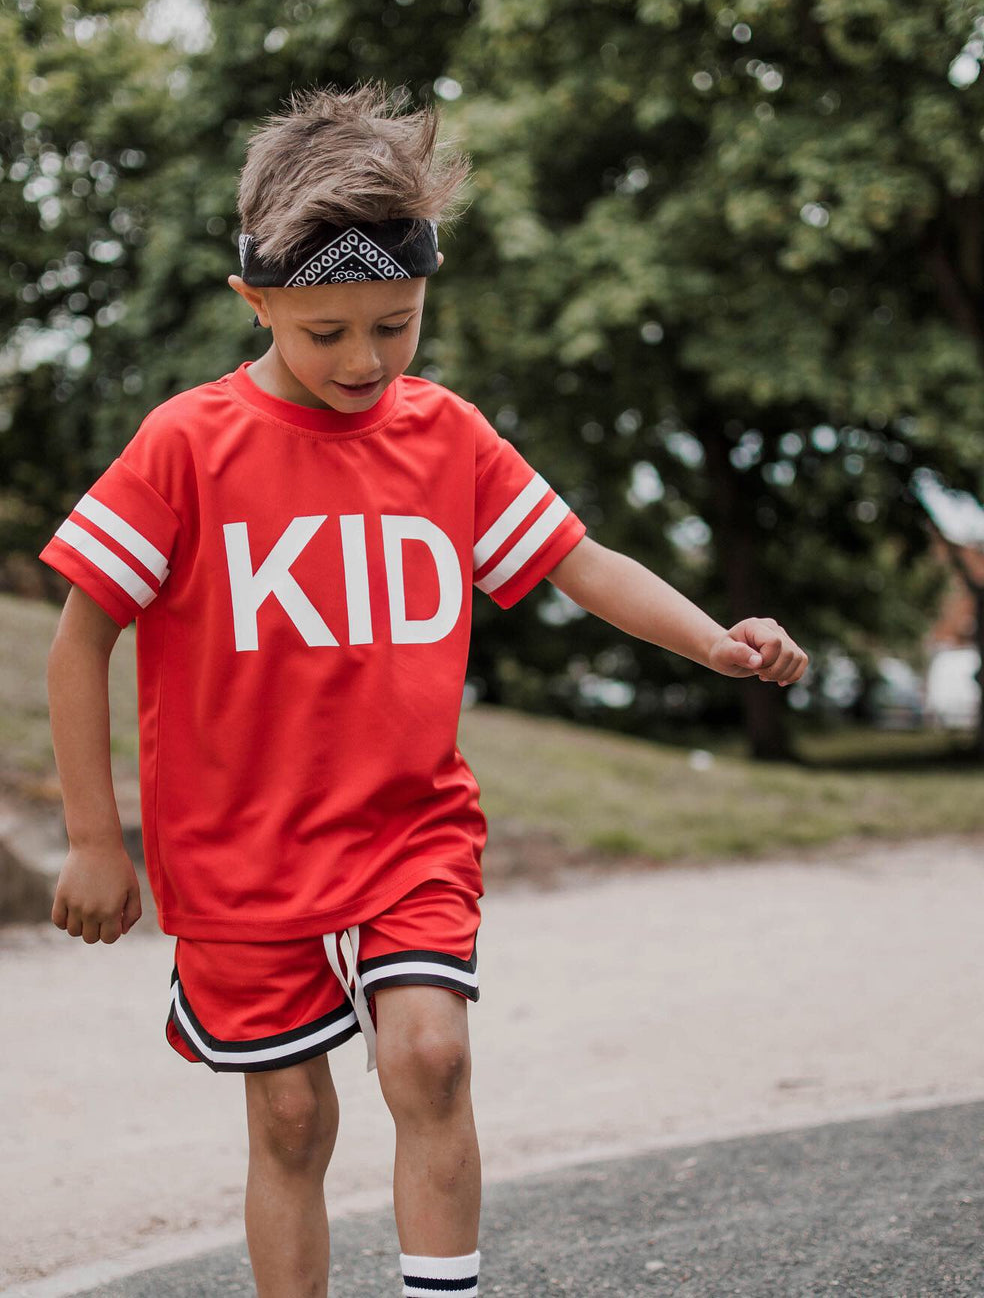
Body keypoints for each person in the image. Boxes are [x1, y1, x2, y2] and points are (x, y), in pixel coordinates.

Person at [40, 82, 808, 1298]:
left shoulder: (447, 436)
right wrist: (94, 839)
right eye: (326, 333)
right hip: (239, 853)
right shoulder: (185, 445)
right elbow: (80, 641)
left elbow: (580, 561)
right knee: (291, 1119)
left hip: (409, 830)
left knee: (434, 1056)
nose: (365, 360)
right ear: (255, 301)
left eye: (394, 325)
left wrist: (715, 643)